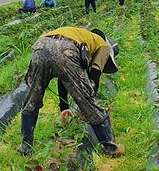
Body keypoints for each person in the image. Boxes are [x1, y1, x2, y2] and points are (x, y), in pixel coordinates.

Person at [20, 27, 123, 157]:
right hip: (66, 49)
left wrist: (64, 107)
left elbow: (63, 76)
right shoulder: (104, 46)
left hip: (40, 46)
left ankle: (26, 147)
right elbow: (94, 76)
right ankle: (110, 147)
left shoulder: (80, 35)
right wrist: (87, 108)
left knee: (32, 100)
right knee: (90, 104)